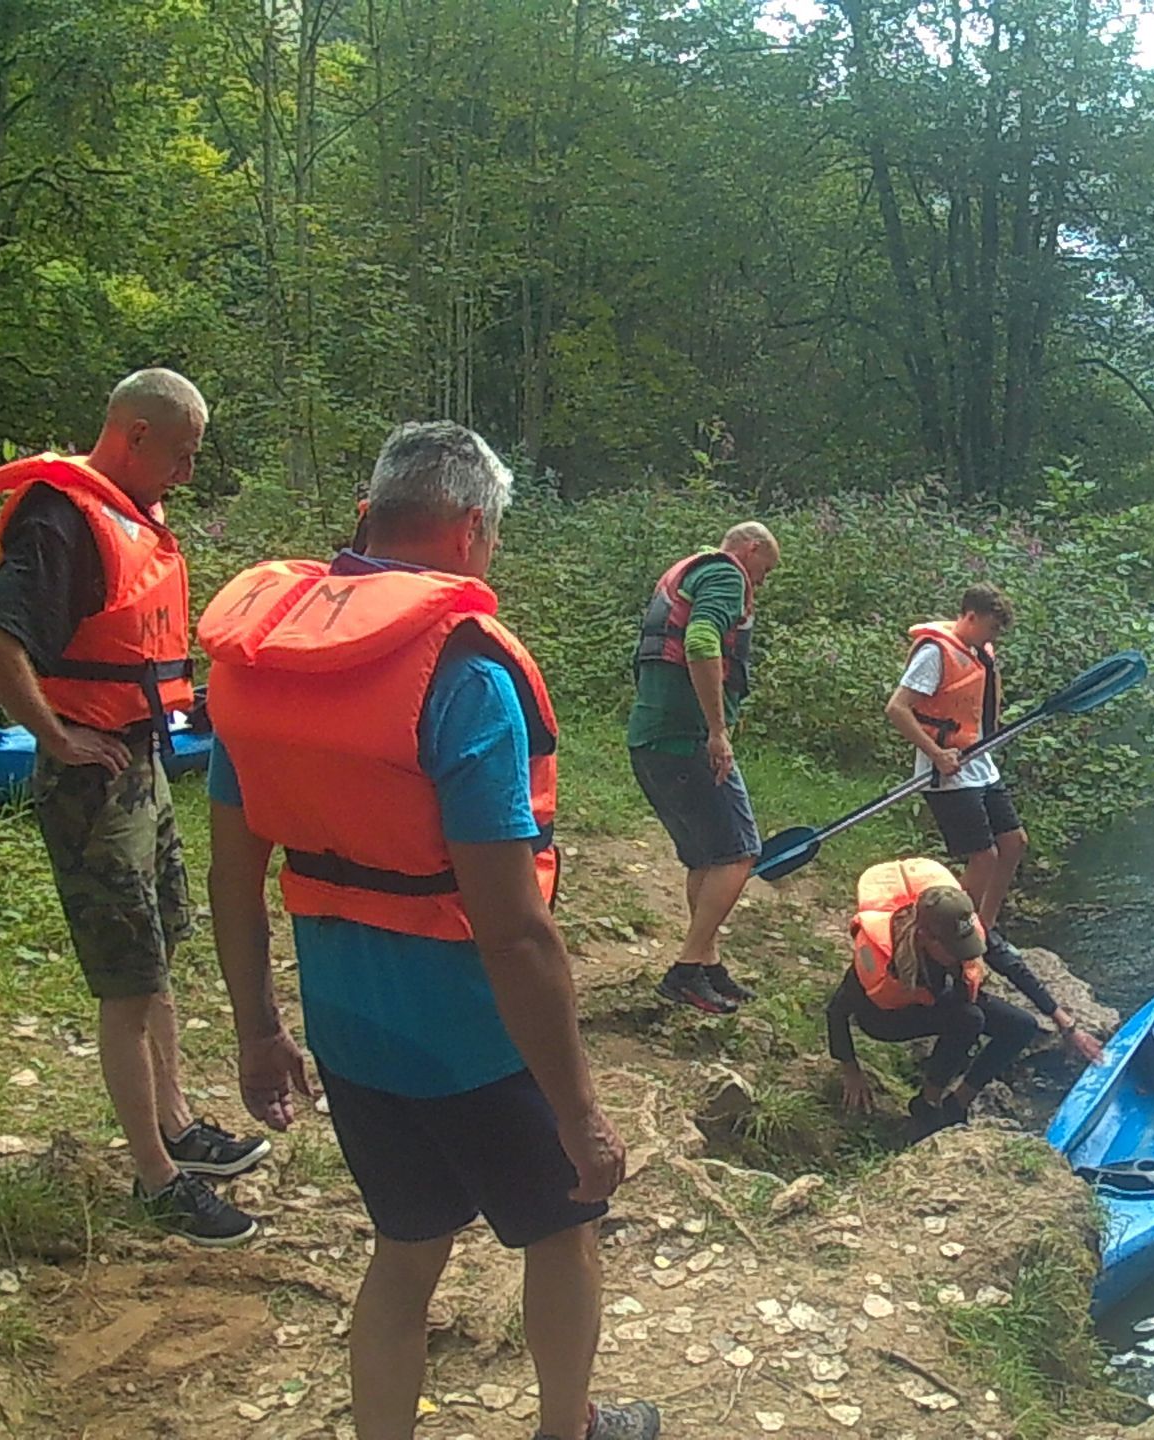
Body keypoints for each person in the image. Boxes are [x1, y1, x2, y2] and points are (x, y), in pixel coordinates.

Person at [200, 422, 657, 1440]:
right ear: (466, 531)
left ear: (371, 514)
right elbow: (514, 932)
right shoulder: (464, 675)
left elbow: (235, 876)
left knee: (406, 1249)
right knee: (565, 1232)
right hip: (476, 1040)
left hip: (350, 1028)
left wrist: (256, 1029)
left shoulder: (259, 665)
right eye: (491, 537)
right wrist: (580, 1112)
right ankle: (567, 1429)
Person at [0, 368, 267, 1246]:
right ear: (136, 432)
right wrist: (55, 734)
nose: (188, 475)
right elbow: (8, 638)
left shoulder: (131, 516)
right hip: (92, 781)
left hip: (142, 765)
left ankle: (181, 1127)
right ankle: (156, 1179)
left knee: (160, 955)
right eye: (183, 454)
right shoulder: (62, 516)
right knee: (127, 979)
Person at [828, 858, 1103, 1139]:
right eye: (955, 948)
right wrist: (851, 1069)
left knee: (1021, 1026)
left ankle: (957, 1103)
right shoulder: (886, 958)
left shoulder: (961, 927)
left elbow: (1012, 967)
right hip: (886, 1019)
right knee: (968, 1018)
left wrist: (1065, 1023)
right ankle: (927, 1105)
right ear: (925, 937)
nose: (965, 954)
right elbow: (836, 1011)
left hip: (941, 998)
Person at [628, 522, 780, 1015]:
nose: (760, 583)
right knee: (740, 852)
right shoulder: (726, 575)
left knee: (706, 858)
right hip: (687, 739)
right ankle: (686, 970)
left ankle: (708, 964)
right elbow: (699, 641)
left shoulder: (687, 573)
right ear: (751, 549)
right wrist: (718, 730)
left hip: (650, 738)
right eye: (765, 571)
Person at [884, 584, 1028, 958]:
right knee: (984, 857)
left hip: (979, 763)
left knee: (1014, 843)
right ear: (970, 617)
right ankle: (940, 941)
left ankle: (985, 928)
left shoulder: (979, 652)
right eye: (992, 628)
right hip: (945, 771)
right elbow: (897, 709)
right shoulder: (935, 652)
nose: (993, 637)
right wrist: (936, 752)